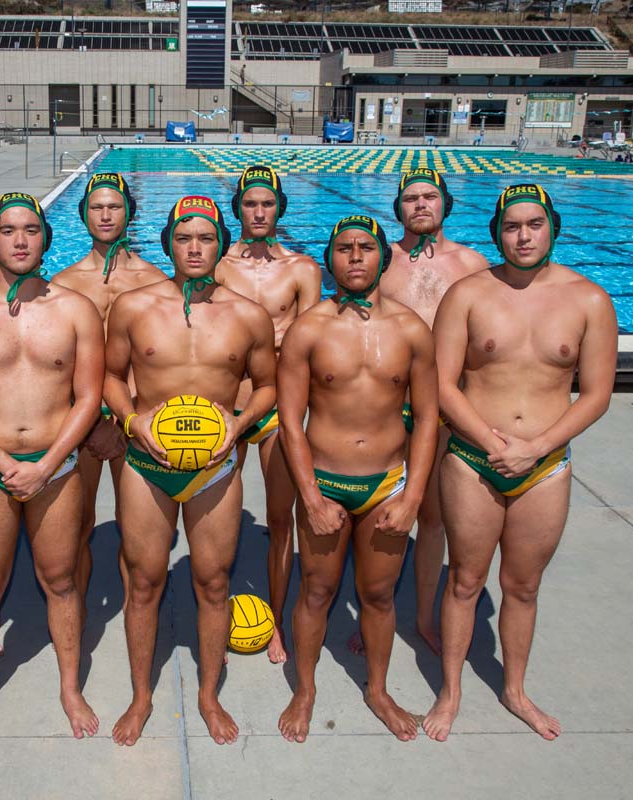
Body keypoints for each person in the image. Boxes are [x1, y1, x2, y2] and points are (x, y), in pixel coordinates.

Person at [423, 185, 617, 742]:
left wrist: (535, 447)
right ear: (497, 232)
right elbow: (442, 382)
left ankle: (515, 689)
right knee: (464, 580)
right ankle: (451, 689)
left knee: (524, 586)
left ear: (553, 227)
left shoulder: (590, 300)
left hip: (546, 463)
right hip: (471, 457)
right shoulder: (466, 294)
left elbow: (597, 394)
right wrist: (489, 440)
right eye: (512, 226)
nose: (524, 236)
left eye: (534, 224)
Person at [0, 193, 105, 742]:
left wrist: (48, 463)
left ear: (47, 238)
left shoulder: (76, 310)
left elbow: (89, 397)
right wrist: (6, 462)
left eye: (32, 229)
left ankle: (70, 687)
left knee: (60, 580)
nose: (22, 240)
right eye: (8, 230)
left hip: (56, 466)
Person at [105, 196, 277, 746]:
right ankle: (140, 696)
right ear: (169, 244)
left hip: (216, 468)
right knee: (145, 580)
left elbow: (269, 385)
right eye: (184, 239)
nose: (195, 248)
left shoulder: (249, 315)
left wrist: (241, 421)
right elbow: (109, 378)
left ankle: (208, 695)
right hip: (146, 464)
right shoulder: (131, 307)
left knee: (213, 581)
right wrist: (134, 422)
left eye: (205, 238)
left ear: (220, 244)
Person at [276, 215, 438, 743]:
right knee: (317, 591)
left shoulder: (411, 329)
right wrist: (310, 496)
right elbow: (290, 423)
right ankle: (304, 690)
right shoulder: (310, 329)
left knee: (378, 595)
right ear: (330, 258)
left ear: (382, 256)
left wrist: (413, 494)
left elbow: (428, 418)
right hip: (324, 479)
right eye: (343, 248)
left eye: (366, 247)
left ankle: (378, 689)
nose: (355, 257)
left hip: (387, 482)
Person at [368, 168, 489, 656]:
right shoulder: (379, 260)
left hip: (445, 410)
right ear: (399, 208)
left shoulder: (472, 265)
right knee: (381, 515)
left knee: (433, 520)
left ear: (446, 204)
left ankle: (421, 618)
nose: (420, 204)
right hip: (386, 409)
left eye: (429, 196)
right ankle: (376, 609)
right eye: (411, 198)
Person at [215, 165, 323, 664]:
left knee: (282, 519)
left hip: (279, 409)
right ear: (237, 208)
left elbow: (310, 345)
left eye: (267, 204)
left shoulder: (302, 269)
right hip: (225, 405)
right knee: (214, 519)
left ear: (280, 208)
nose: (258, 212)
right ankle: (212, 606)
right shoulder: (216, 264)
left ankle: (276, 620)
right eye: (250, 203)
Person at [51, 172, 168, 624]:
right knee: (76, 527)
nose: (105, 214)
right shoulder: (63, 281)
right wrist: (93, 419)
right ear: (83, 215)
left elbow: (157, 359)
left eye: (114, 206)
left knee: (135, 530)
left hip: (134, 416)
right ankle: (75, 613)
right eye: (96, 207)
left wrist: (127, 416)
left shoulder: (153, 280)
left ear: (128, 213)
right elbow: (58, 363)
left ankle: (132, 611)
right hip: (78, 420)